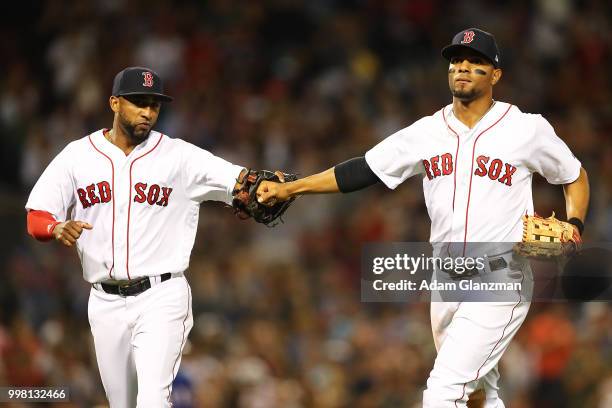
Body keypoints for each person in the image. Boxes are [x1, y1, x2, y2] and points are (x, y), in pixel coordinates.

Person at [256, 28, 590, 407]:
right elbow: (362, 169)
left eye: (475, 62)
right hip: (445, 279)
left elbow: (573, 175)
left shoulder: (526, 128)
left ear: (495, 74)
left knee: (442, 394)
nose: (462, 67)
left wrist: (575, 223)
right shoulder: (428, 131)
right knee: (479, 395)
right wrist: (292, 188)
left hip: (501, 275)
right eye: (456, 60)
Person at [25, 67, 259, 407]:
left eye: (154, 105)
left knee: (152, 399)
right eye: (138, 103)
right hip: (103, 300)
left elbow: (241, 180)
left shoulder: (179, 155)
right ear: (114, 103)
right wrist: (56, 227)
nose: (147, 112)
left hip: (161, 294)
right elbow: (36, 217)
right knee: (122, 403)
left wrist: (270, 188)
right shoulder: (77, 156)